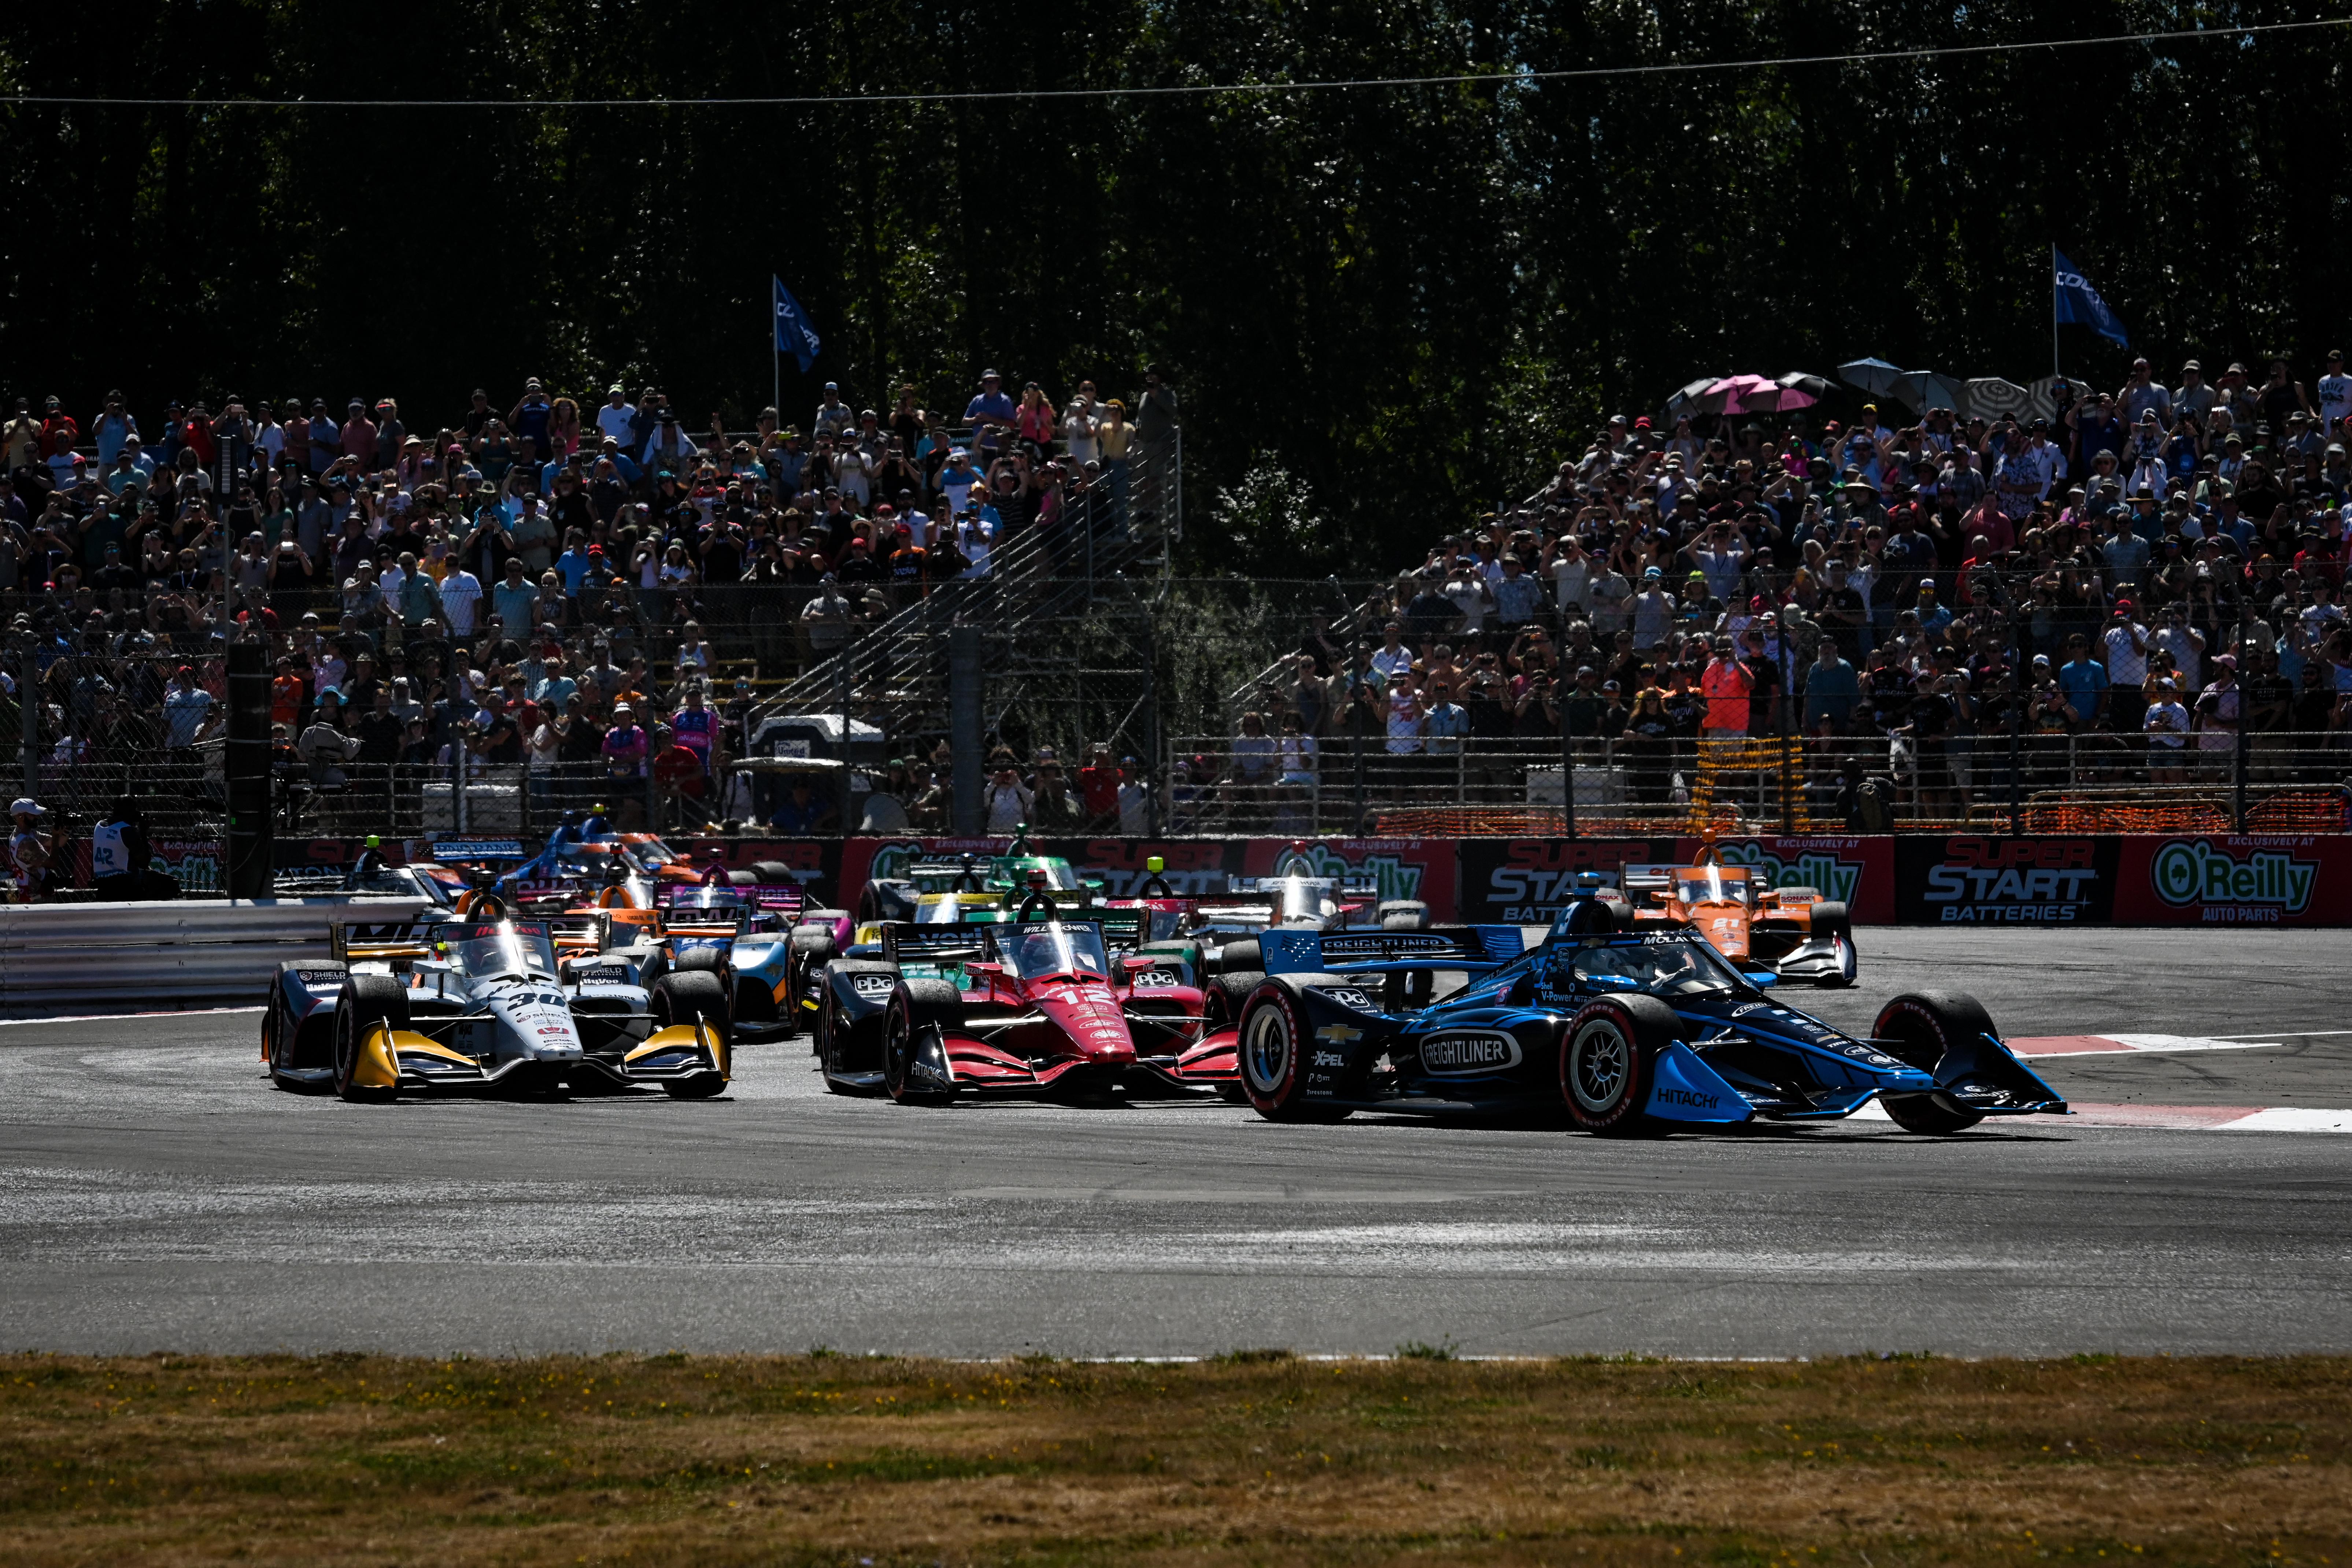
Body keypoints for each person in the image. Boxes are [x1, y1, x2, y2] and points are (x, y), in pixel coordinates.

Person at [91, 796, 178, 901]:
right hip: (125, 888)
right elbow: (144, 862)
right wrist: (143, 832)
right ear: (129, 812)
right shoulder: (126, 830)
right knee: (171, 884)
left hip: (103, 886)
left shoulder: (99, 826)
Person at [8, 798, 56, 899]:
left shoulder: (18, 835)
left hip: (28, 895)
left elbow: (59, 842)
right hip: (37, 897)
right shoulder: (27, 843)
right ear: (21, 817)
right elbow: (52, 863)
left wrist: (64, 831)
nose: (37, 817)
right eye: (32, 815)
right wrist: (56, 836)